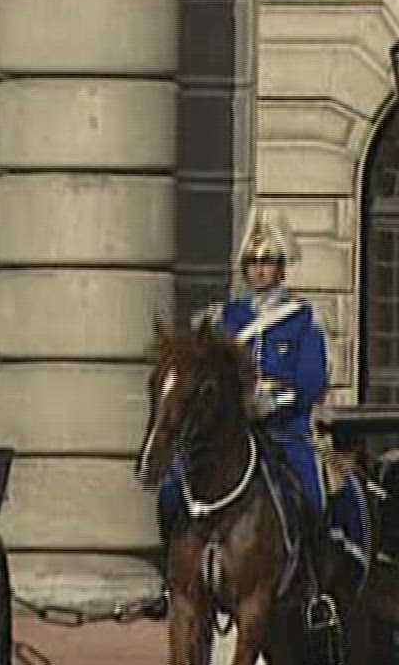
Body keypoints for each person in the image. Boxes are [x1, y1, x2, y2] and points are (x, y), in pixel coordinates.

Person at [151, 208, 369, 624]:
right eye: (252, 262)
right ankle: (172, 579)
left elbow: (311, 381)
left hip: (284, 434)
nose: (259, 270)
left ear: (282, 266)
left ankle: (313, 587)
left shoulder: (304, 320)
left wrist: (274, 402)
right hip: (232, 434)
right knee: (170, 488)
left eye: (267, 261)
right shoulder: (224, 319)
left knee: (313, 496)